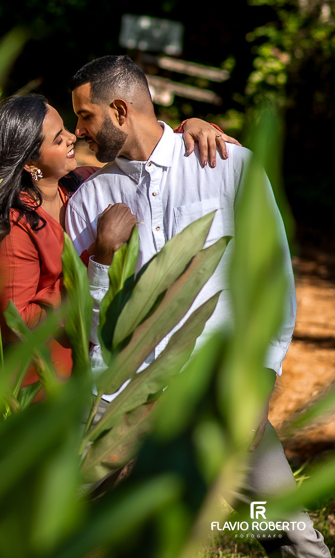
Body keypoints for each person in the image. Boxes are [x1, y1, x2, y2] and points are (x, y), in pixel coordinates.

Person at [64, 55, 327, 558]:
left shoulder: (228, 166)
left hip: (221, 401)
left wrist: (258, 388)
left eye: (85, 116)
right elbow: (88, 320)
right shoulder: (89, 201)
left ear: (119, 110)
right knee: (61, 523)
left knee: (284, 533)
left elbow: (271, 284)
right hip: (124, 403)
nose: (81, 130)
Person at [0, 93, 231, 388]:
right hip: (28, 381)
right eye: (58, 139)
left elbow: (144, 154)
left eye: (66, 129)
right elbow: (18, 321)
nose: (73, 137)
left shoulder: (80, 185)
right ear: (30, 163)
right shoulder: (15, 225)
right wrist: (95, 257)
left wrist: (191, 128)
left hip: (79, 366)